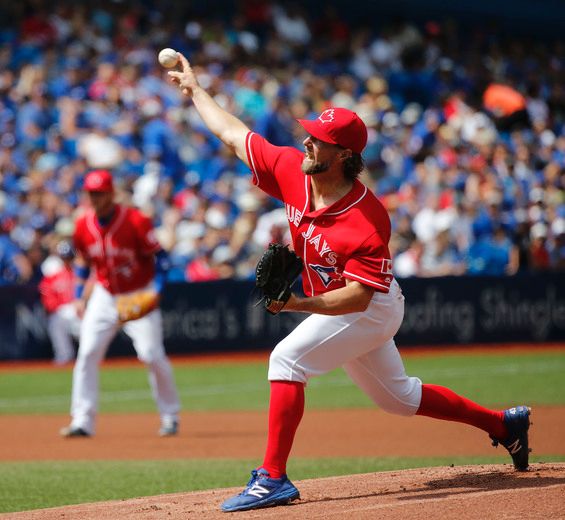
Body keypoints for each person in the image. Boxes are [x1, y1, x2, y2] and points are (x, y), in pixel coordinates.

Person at [168, 53, 531, 512]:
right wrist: (196, 90)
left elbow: (360, 295)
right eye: (309, 134)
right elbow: (232, 134)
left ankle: (273, 478)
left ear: (344, 155)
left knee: (286, 360)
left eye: (318, 140)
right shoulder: (290, 171)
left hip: (369, 308)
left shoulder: (365, 218)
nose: (306, 142)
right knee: (399, 399)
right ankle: (503, 424)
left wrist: (296, 304)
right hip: (343, 304)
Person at [60, 169, 181, 438]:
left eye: (99, 193)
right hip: (104, 295)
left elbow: (161, 260)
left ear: (111, 194)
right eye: (90, 193)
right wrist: (80, 295)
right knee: (87, 352)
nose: (94, 198)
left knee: (151, 354)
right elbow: (83, 262)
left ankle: (170, 415)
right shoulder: (82, 225)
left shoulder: (136, 220)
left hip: (138, 292)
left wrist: (157, 291)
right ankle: (82, 420)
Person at [38, 240, 81, 365]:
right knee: (55, 323)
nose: (67, 260)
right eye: (64, 257)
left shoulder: (81, 274)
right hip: (62, 311)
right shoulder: (54, 276)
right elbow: (46, 293)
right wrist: (54, 307)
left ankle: (90, 357)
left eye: (69, 257)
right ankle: (64, 356)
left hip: (81, 311)